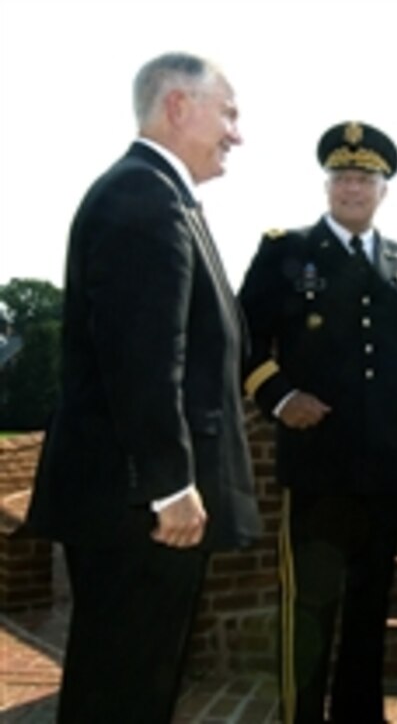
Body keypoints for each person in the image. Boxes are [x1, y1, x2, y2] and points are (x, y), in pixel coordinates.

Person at [25, 52, 259, 723]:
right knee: (121, 690)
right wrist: (169, 483)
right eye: (229, 112)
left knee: (140, 685)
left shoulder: (160, 196)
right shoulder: (143, 200)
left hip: (135, 505)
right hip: (139, 508)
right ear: (178, 107)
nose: (236, 133)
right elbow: (146, 357)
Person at [238, 121, 397, 724]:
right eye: (343, 177)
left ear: (384, 190)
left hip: (383, 463)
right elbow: (243, 338)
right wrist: (278, 397)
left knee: (370, 604)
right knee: (309, 605)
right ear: (327, 185)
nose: (353, 188)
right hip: (317, 461)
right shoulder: (286, 251)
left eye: (365, 179)